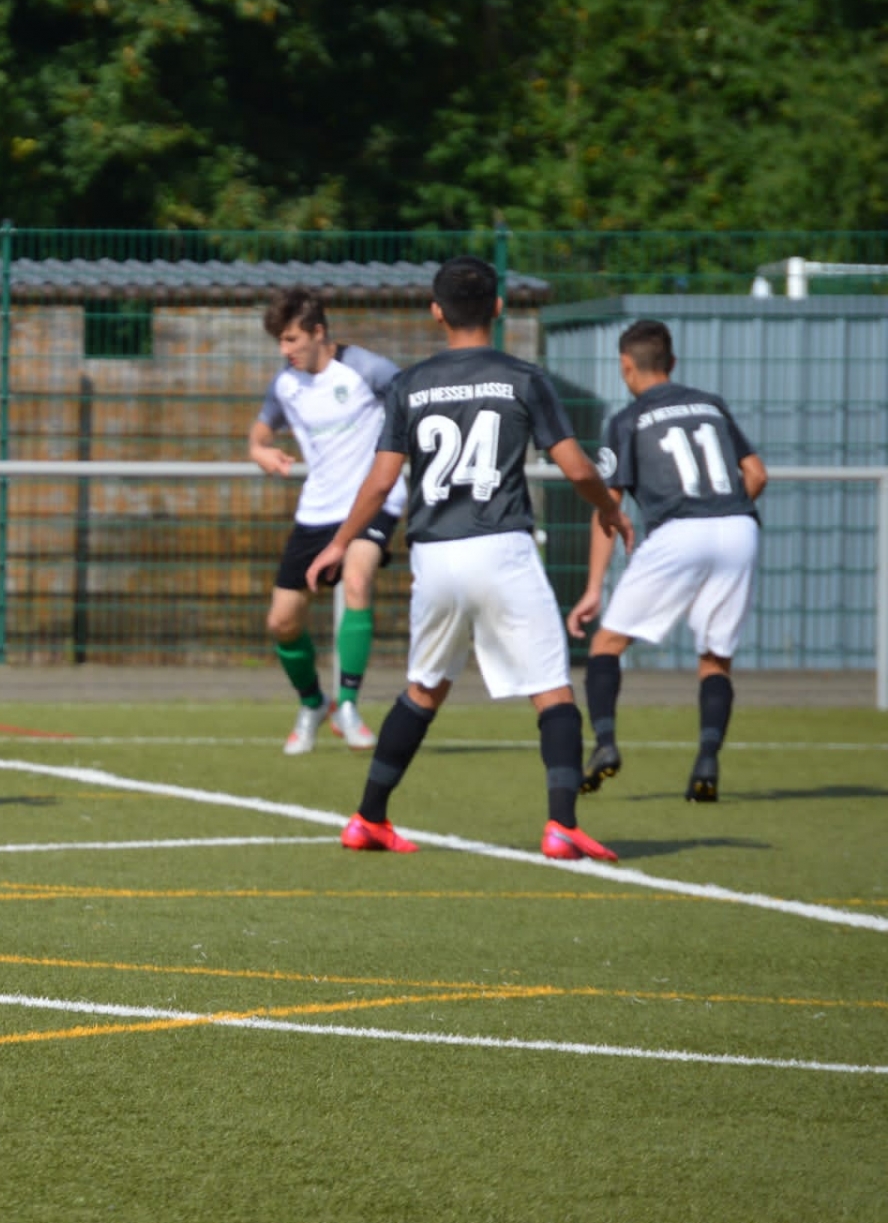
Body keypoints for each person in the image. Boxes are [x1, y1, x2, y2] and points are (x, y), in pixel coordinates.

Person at [306, 255, 635, 862]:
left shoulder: (409, 384)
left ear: (436, 312)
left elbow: (380, 483)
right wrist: (609, 510)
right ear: (499, 309)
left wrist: (338, 542)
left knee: (423, 689)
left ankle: (368, 818)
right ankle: (562, 824)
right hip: (501, 547)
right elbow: (575, 467)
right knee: (552, 690)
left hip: (434, 557)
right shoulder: (524, 378)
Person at [567, 320, 766, 803]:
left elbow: (608, 509)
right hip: (738, 526)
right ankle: (706, 763)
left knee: (608, 643)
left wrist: (593, 588)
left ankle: (606, 744)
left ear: (625, 366)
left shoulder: (626, 420)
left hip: (679, 529)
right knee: (715, 656)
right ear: (672, 363)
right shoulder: (711, 405)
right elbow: (756, 474)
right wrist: (723, 510)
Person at [252, 287, 407, 754]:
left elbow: (412, 400)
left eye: (292, 339)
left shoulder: (367, 369)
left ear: (319, 332)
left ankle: (348, 706)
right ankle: (313, 703)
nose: (286, 350)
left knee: (357, 581)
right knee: (282, 621)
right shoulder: (286, 384)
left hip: (373, 501)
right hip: (317, 511)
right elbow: (261, 428)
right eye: (281, 341)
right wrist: (260, 450)